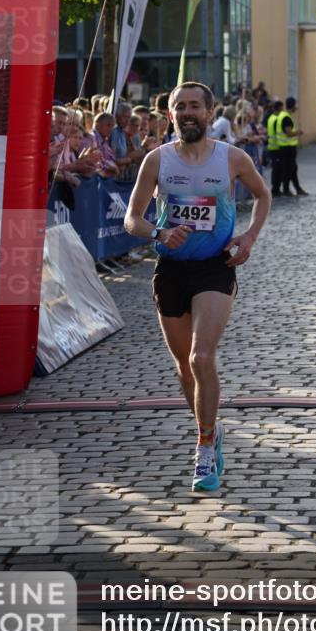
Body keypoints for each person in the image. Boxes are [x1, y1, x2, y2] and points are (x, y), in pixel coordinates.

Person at [125, 81, 271, 492]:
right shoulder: (157, 161)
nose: (187, 113)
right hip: (170, 270)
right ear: (169, 114)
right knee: (183, 369)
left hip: (214, 267)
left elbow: (262, 194)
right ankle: (211, 427)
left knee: (200, 357)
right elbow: (131, 218)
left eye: (195, 106)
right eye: (179, 107)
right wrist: (157, 232)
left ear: (209, 113)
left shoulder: (232, 158)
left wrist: (248, 238)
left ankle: (204, 446)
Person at [277, 96, 308, 196]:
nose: (297, 108)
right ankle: (286, 189)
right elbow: (288, 133)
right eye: (296, 105)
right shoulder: (286, 117)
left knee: (293, 169)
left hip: (285, 147)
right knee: (288, 169)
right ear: (293, 106)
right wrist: (298, 132)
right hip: (287, 148)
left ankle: (297, 188)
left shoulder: (283, 115)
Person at [265, 99, 283, 196]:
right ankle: (276, 189)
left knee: (275, 169)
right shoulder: (277, 119)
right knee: (277, 170)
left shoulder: (271, 117)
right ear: (279, 108)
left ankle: (275, 188)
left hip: (272, 146)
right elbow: (279, 133)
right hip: (277, 147)